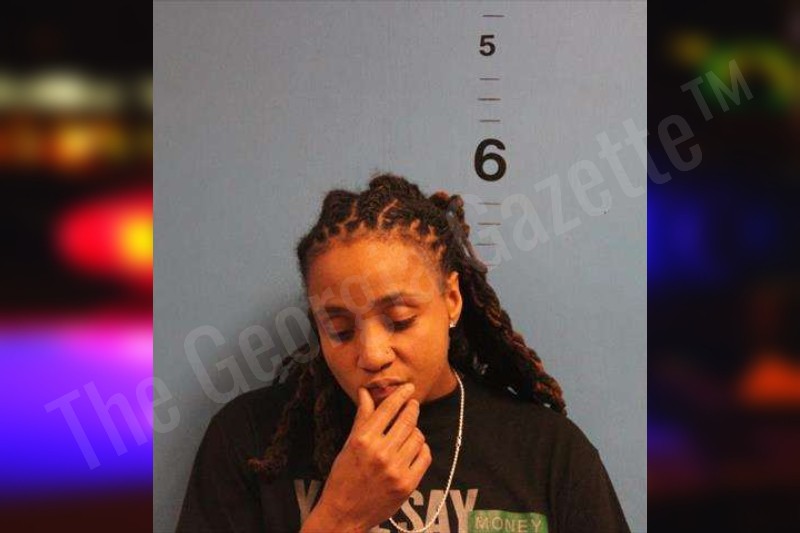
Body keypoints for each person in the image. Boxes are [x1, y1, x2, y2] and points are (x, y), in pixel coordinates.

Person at [176, 173, 631, 532]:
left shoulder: (547, 454)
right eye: (340, 330)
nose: (372, 355)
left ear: (451, 300)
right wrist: (340, 517)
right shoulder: (250, 441)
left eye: (399, 320)